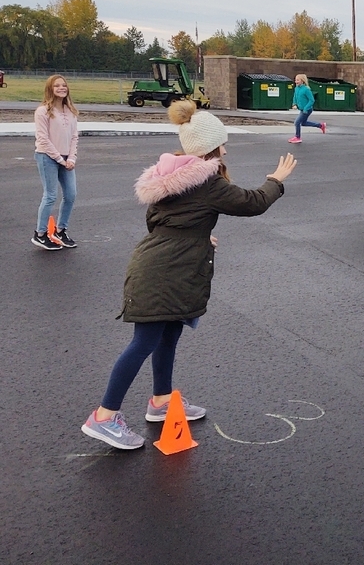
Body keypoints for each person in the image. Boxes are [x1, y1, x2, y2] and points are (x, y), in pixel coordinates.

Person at [80, 101, 297, 449]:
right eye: (221, 144)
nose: (225, 149)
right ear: (208, 147)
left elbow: (157, 221)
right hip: (164, 273)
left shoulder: (171, 176)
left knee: (168, 336)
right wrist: (276, 180)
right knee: (143, 343)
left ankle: (162, 402)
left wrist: (196, 233)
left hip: (161, 263)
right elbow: (252, 202)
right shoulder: (207, 182)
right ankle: (103, 417)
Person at [32, 75, 79, 250]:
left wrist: (71, 158)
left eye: (64, 85)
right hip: (47, 157)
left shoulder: (71, 111)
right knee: (50, 195)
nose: (61, 88)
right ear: (50, 89)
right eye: (57, 86)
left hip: (67, 159)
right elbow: (43, 139)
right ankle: (40, 234)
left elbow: (74, 137)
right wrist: (59, 159)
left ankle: (61, 230)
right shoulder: (43, 111)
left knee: (71, 195)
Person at [289, 74, 325, 144]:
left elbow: (312, 100)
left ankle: (297, 137)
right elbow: (295, 97)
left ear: (302, 81)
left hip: (307, 109)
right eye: (295, 80)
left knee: (297, 122)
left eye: (298, 80)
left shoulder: (306, 89)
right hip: (302, 109)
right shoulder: (296, 89)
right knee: (303, 123)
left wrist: (306, 108)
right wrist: (294, 104)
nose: (296, 81)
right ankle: (321, 125)